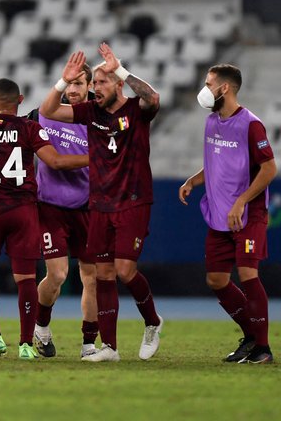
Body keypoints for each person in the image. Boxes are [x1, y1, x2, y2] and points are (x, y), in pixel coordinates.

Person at [39, 43, 163, 362]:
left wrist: (119, 68)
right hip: (100, 205)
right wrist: (63, 82)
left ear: (118, 84)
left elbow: (154, 98)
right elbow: (49, 111)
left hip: (133, 202)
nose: (95, 88)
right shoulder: (91, 111)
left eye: (101, 82)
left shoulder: (136, 110)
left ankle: (152, 321)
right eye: (93, 82)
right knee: (104, 274)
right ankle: (109, 347)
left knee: (124, 270)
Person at [0, 78, 88, 360]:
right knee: (26, 278)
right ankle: (26, 344)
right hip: (23, 211)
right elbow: (56, 162)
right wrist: (96, 157)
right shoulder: (30, 128)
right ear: (21, 100)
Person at [179, 64, 276, 364]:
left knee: (248, 275)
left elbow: (269, 168)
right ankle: (251, 336)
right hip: (220, 213)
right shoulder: (211, 122)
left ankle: (263, 348)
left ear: (225, 88)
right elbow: (218, 163)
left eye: (209, 83)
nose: (204, 89)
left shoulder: (251, 125)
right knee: (217, 280)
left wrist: (242, 201)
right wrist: (193, 181)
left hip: (246, 213)